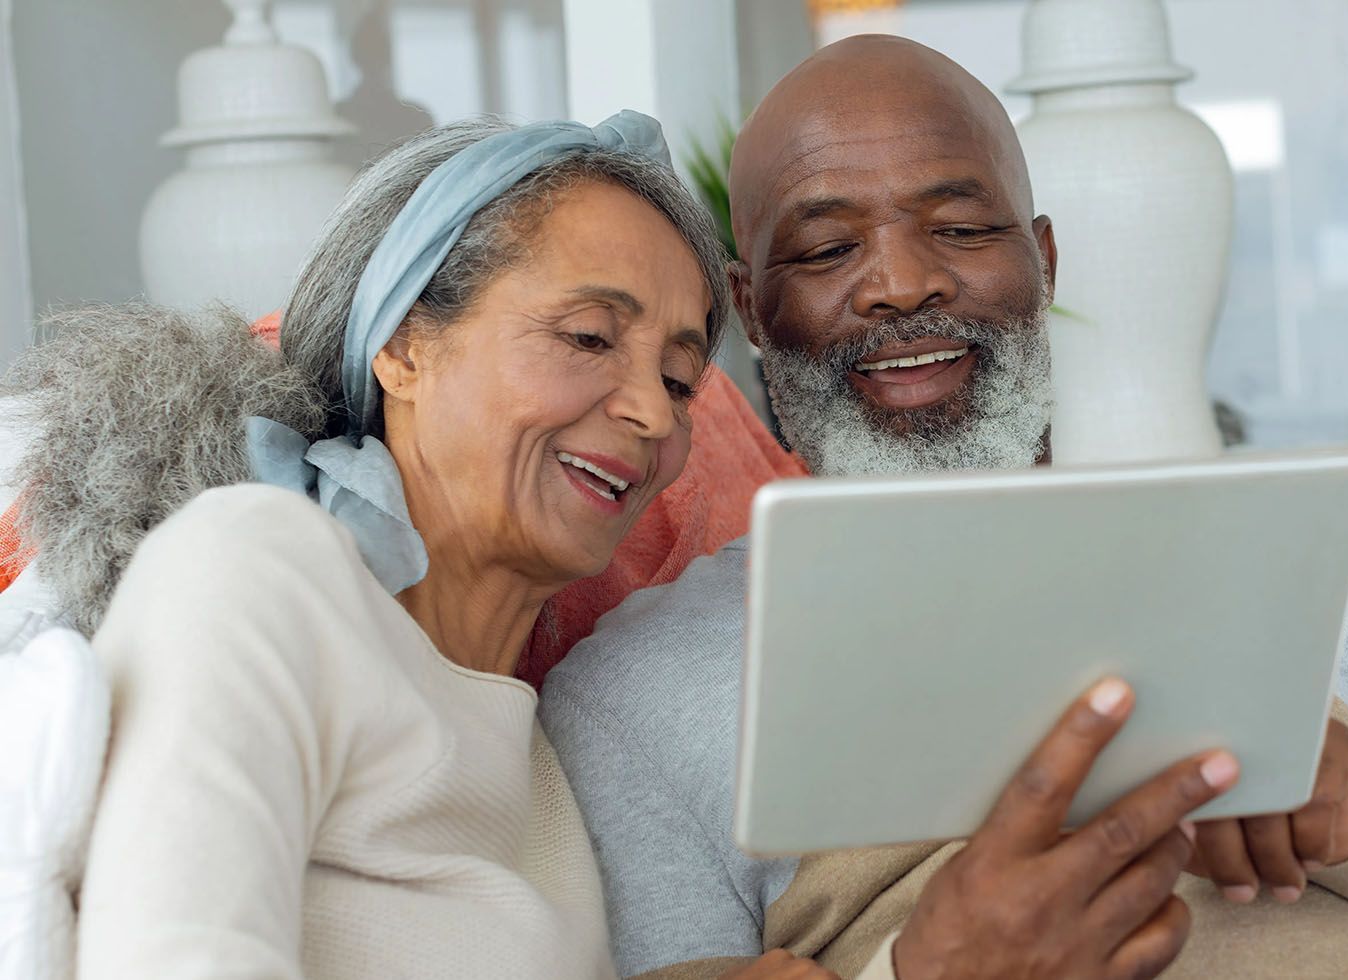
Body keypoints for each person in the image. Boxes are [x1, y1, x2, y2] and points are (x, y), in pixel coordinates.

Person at [540, 37, 1348, 980]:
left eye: (960, 228)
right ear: (752, 309)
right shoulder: (636, 690)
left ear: (1045, 266)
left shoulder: (1300, 554)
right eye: (826, 247)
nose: (903, 282)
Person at [7, 112, 816, 979]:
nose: (654, 414)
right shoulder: (256, 570)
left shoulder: (545, 760)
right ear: (402, 344)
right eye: (587, 337)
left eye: (678, 379)